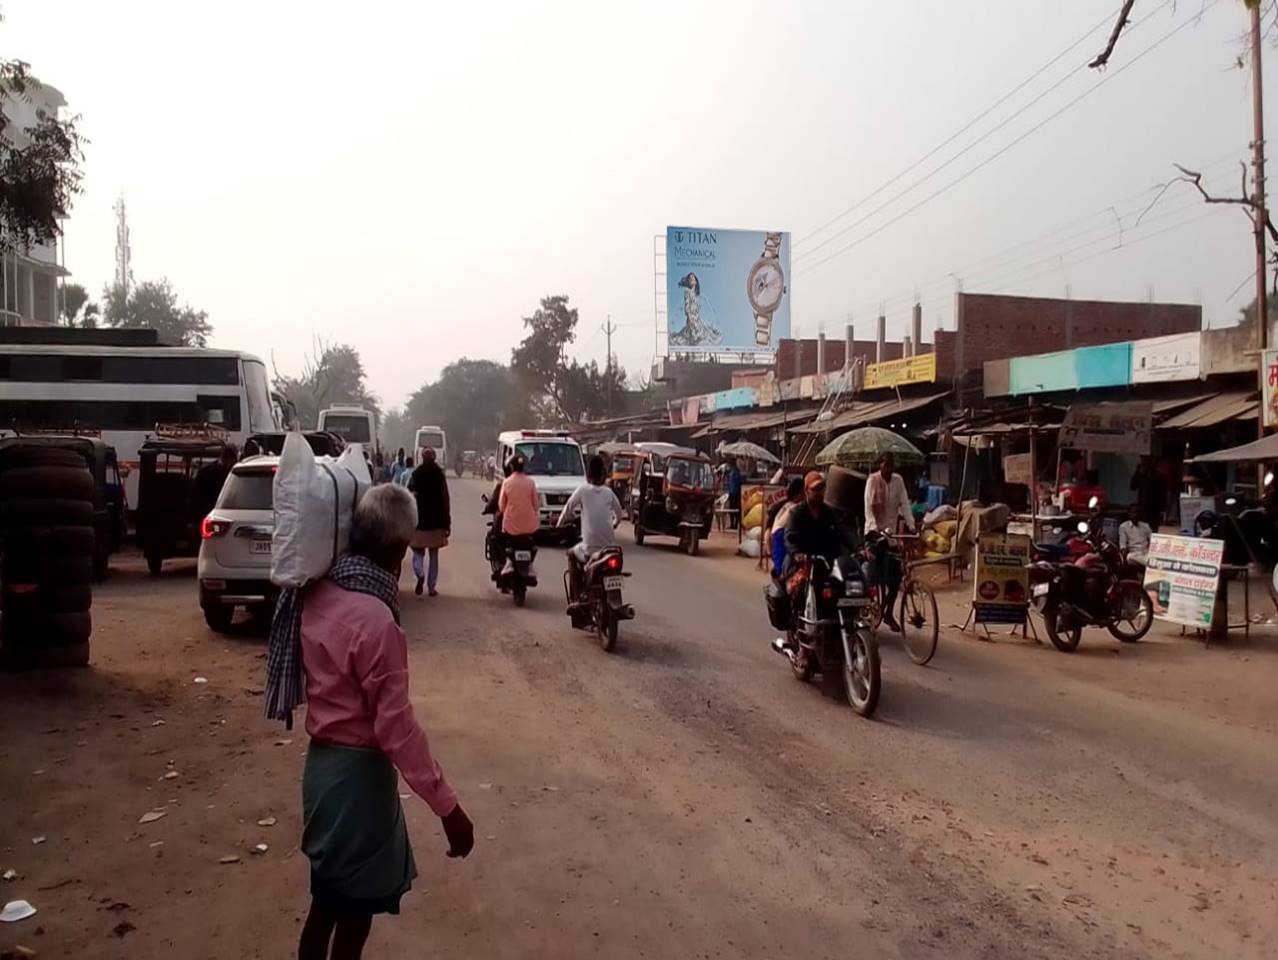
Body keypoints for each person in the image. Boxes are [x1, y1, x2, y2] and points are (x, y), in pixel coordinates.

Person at [286, 485, 473, 960]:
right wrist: (448, 808)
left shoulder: (319, 594)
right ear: (397, 547)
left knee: (325, 901)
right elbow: (397, 730)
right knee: (353, 917)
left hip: (322, 772)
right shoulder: (376, 620)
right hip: (358, 785)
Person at [557, 454, 624, 604]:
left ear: (588, 474)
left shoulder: (583, 490)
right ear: (603, 475)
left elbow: (568, 508)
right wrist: (614, 524)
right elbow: (619, 514)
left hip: (589, 549)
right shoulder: (608, 492)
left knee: (571, 554)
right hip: (609, 549)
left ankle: (577, 598)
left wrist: (559, 525)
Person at [862, 454, 915, 632]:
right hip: (874, 533)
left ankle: (888, 612)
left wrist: (911, 525)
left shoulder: (898, 481)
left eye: (891, 466)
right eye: (885, 466)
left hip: (891, 535)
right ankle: (867, 610)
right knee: (871, 576)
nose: (889, 469)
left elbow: (905, 505)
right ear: (880, 466)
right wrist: (877, 530)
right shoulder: (872, 481)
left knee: (896, 576)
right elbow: (869, 508)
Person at [407, 448, 450, 597]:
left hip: (419, 520)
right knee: (434, 554)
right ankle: (431, 588)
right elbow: (445, 499)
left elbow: (409, 496)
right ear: (434, 458)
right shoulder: (439, 474)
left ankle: (419, 573)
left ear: (422, 458)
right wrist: (447, 522)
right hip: (437, 521)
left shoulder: (416, 474)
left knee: (417, 551)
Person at [766, 477, 805, 579]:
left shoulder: (785, 505)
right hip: (782, 544)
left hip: (776, 545)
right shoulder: (796, 508)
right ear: (801, 493)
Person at [192, 444, 238, 523]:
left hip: (217, 512)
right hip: (210, 512)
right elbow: (196, 496)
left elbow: (195, 497)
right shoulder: (235, 472)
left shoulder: (205, 471)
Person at [1130, 457, 1166, 529]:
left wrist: (1162, 508)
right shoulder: (1141, 476)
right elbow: (1132, 486)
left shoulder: (1158, 477)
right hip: (1143, 508)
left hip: (1154, 508)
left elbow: (1162, 493)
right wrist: (1137, 472)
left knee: (1152, 529)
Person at [726, 458, 743, 530]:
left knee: (735, 509)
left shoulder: (736, 472)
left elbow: (738, 482)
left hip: (735, 493)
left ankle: (735, 524)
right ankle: (733, 524)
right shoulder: (732, 471)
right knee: (731, 510)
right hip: (732, 492)